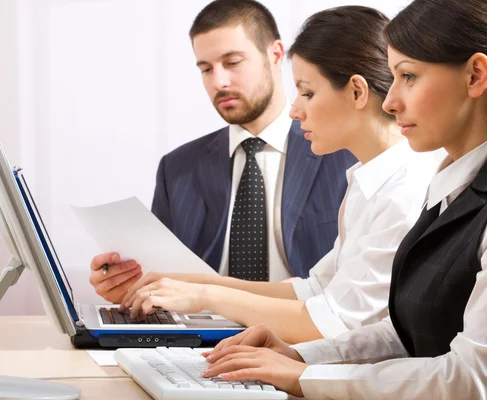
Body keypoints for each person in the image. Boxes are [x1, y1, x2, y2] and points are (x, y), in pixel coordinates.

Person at [199, 0, 487, 398]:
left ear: (475, 75)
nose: (390, 101)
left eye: (408, 77)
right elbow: (410, 329)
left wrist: (304, 377)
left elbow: (471, 380)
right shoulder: (452, 180)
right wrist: (300, 357)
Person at [119, 6, 437, 344]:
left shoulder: (405, 191)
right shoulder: (367, 181)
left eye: (307, 92)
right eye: (206, 68)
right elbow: (313, 290)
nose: (296, 109)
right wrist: (181, 283)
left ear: (357, 92)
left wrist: (205, 297)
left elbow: (329, 322)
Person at [87, 0, 357, 304]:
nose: (219, 82)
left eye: (232, 62)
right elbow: (160, 277)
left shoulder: (344, 153)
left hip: (302, 336)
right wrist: (130, 283)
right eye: (206, 69)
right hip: (202, 339)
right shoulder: (176, 169)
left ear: (275, 54)